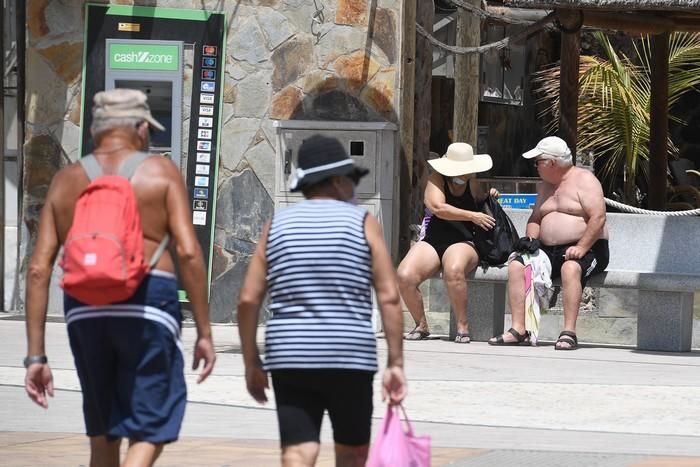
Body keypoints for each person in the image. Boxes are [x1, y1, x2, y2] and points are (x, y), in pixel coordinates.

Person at [24, 88, 216, 466]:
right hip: (148, 304)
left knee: (103, 432)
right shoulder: (159, 171)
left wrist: (36, 356)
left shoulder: (65, 181)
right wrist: (205, 332)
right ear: (142, 128)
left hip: (84, 311)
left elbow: (38, 269)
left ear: (96, 131)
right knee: (151, 424)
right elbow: (190, 253)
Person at [238, 134, 407, 467]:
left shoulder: (276, 225)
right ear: (336, 181)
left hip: (290, 355)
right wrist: (395, 362)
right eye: (350, 180)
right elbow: (388, 296)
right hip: (349, 356)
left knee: (299, 449)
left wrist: (251, 362)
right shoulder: (363, 223)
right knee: (351, 450)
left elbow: (247, 300)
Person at [488, 136, 609, 350]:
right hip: (547, 249)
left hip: (587, 248)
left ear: (552, 162)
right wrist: (531, 240)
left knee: (570, 268)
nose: (535, 167)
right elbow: (535, 218)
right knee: (517, 264)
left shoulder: (585, 180)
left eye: (538, 162)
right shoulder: (545, 186)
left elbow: (598, 218)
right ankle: (519, 329)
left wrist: (581, 247)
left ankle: (569, 332)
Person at [397, 142, 498, 343]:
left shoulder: (472, 181)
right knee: (405, 275)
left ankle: (463, 326)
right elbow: (437, 207)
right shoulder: (436, 179)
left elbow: (480, 200)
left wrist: (491, 195)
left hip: (465, 240)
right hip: (434, 239)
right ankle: (421, 324)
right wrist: (471, 215)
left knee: (453, 270)